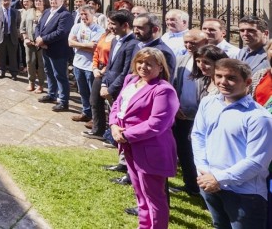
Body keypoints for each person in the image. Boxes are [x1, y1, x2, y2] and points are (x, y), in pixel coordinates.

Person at [192, 58, 272, 228]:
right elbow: (198, 136)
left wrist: (218, 178)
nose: (223, 82)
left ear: (248, 82)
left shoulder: (259, 118)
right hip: (209, 184)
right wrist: (204, 170)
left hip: (244, 194)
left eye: (231, 78)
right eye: (219, 76)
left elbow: (256, 162)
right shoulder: (208, 102)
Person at [109, 48, 179, 228]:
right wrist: (114, 125)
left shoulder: (163, 90)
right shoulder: (131, 80)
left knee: (154, 197)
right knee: (139, 192)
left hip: (151, 149)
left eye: (150, 64)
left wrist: (125, 135)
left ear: (160, 67)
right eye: (140, 62)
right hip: (129, 146)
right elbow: (118, 105)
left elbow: (157, 123)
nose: (143, 67)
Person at [170, 28, 209, 196]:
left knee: (200, 154)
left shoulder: (209, 62)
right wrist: (175, 107)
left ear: (205, 42)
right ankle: (190, 185)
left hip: (201, 117)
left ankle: (204, 188)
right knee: (184, 151)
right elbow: (174, 85)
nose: (188, 45)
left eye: (193, 43)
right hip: (181, 115)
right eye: (186, 42)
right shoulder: (181, 60)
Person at [35, 0, 75, 112]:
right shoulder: (47, 11)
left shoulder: (65, 15)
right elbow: (38, 26)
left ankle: (63, 101)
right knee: (49, 72)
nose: (53, 2)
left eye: (55, 0)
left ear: (61, 1)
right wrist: (38, 38)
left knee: (60, 75)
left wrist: (44, 40)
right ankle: (52, 94)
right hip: (45, 49)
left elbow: (61, 32)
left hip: (58, 50)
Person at [68, 4, 104, 123]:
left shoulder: (99, 30)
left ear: (92, 14)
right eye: (81, 14)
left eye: (86, 14)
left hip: (90, 66)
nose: (83, 17)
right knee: (82, 92)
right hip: (78, 64)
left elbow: (94, 47)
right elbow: (70, 43)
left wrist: (78, 44)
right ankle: (86, 112)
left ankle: (95, 117)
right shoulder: (77, 26)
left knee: (93, 94)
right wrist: (85, 45)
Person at [0, 0, 22, 79]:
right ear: (1, 1)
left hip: (11, 36)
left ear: (10, 1)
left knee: (12, 55)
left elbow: (18, 23)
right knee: (1, 55)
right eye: (4, 0)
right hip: (0, 36)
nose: (6, 2)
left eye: (8, 0)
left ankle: (14, 72)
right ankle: (2, 71)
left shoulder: (15, 12)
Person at [20, 0, 45, 92]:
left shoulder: (46, 12)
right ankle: (31, 83)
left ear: (44, 2)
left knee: (41, 64)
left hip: (42, 44)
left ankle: (41, 84)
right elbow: (22, 27)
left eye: (40, 1)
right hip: (29, 42)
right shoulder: (29, 11)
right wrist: (25, 38)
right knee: (30, 62)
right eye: (36, 1)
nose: (37, 3)